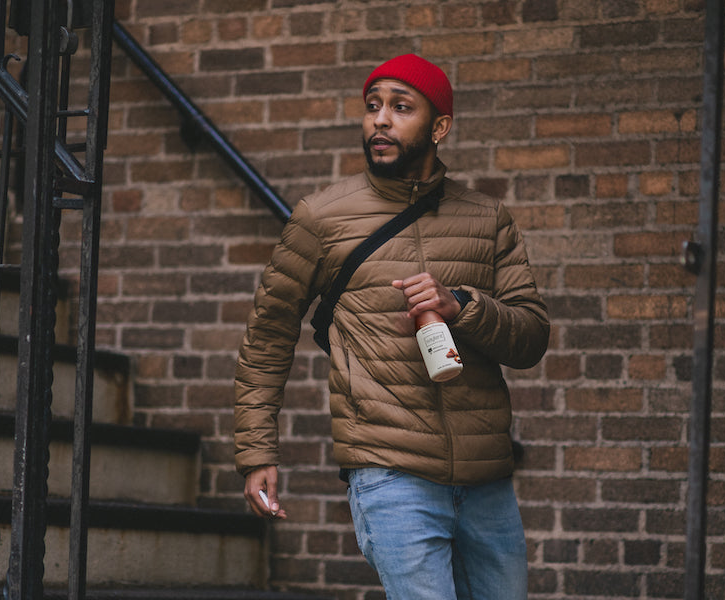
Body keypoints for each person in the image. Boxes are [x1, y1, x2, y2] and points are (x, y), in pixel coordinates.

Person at [234, 53, 550, 600]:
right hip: (391, 476)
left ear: (439, 127)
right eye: (372, 106)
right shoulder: (322, 217)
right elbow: (268, 337)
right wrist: (258, 453)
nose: (379, 119)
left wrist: (464, 305)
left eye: (400, 107)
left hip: (487, 482)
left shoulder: (487, 219)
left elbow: (530, 337)